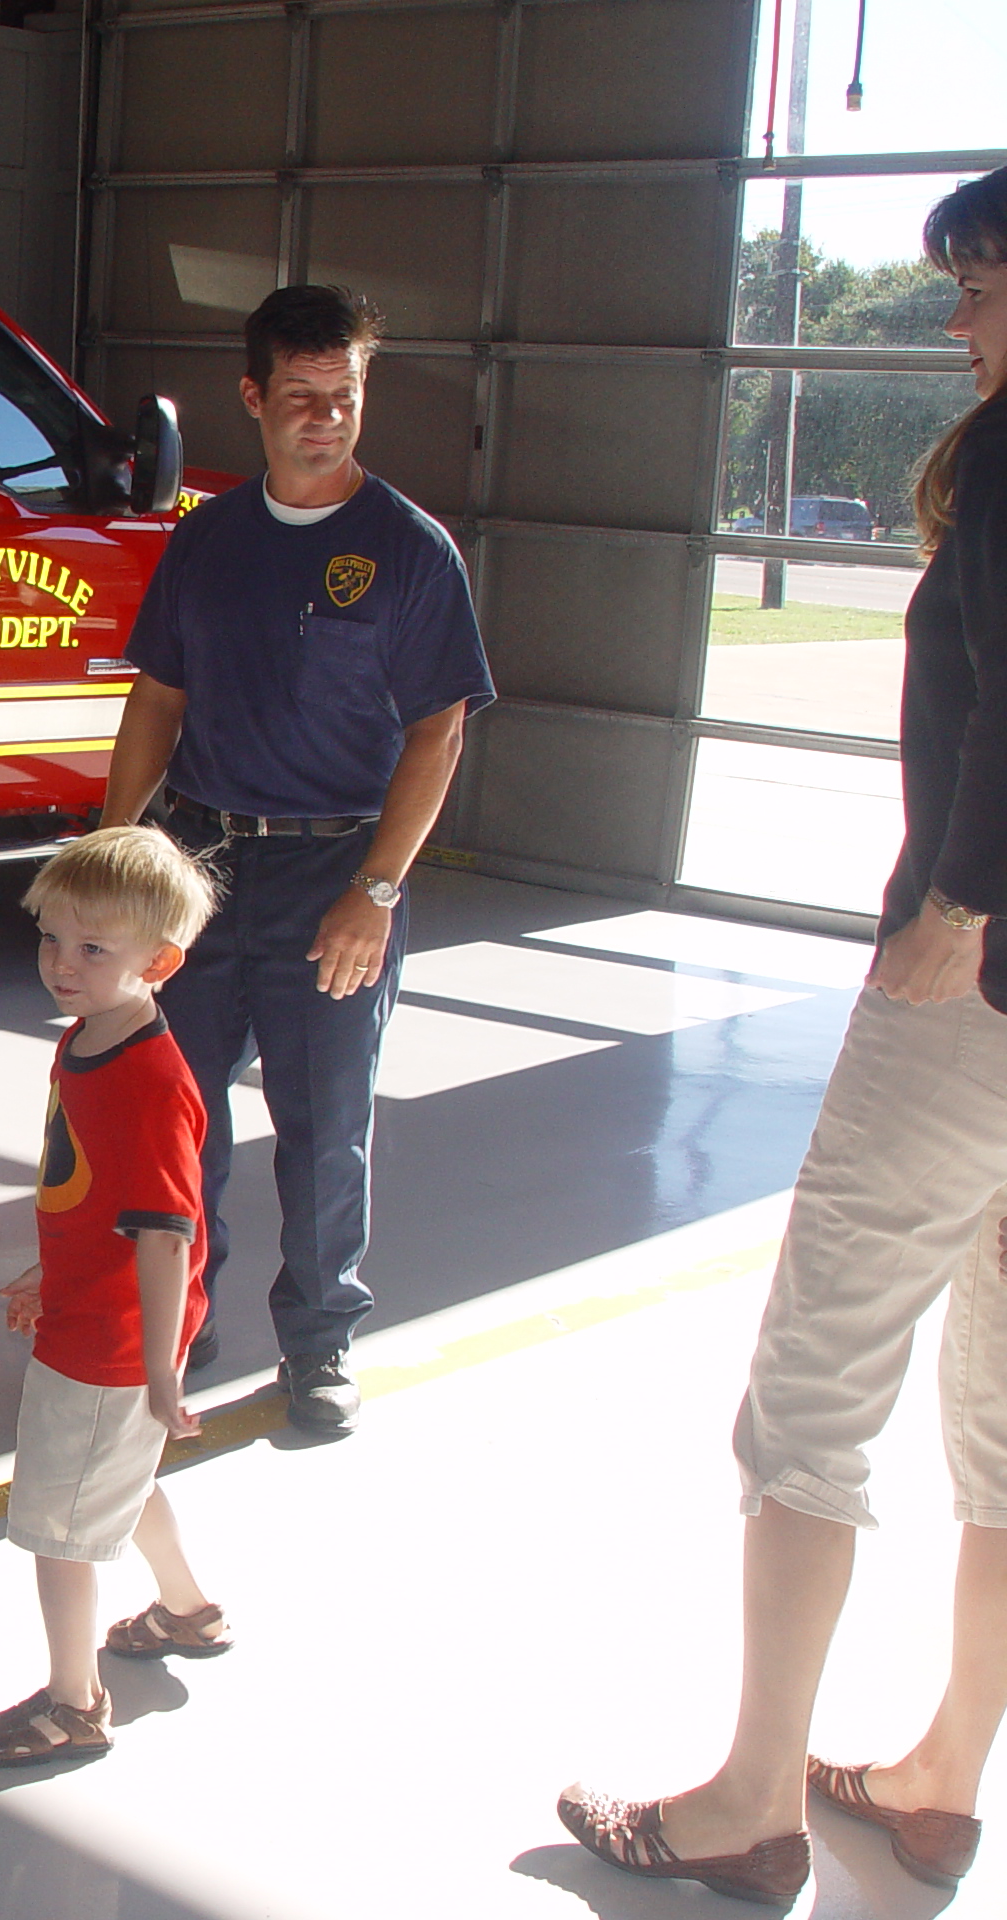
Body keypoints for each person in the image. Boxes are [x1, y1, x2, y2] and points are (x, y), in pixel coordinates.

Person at [558, 165, 1007, 1914]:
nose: (959, 323)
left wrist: (959, 912)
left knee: (816, 1383)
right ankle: (944, 1770)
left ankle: (753, 1798)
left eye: (977, 289)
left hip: (973, 995)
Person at [102, 284, 493, 1437]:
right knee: (178, 1119)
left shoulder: (408, 552)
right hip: (200, 867)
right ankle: (178, 1324)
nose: (325, 420)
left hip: (335, 883)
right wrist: (115, 856)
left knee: (325, 1127)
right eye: (301, 399)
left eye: (344, 398)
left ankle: (318, 1347)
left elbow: (439, 729)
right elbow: (157, 698)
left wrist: (375, 890)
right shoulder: (207, 540)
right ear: (252, 399)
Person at [0, 828, 232, 1767]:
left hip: (113, 1342)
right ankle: (187, 1610)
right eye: (51, 939)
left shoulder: (149, 1082)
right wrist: (57, 1271)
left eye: (92, 949)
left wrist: (156, 1368)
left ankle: (73, 1704)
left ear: (160, 961)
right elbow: (105, 1198)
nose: (61, 966)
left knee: (59, 1526)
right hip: (102, 1312)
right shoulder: (92, 1038)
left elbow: (165, 1234)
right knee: (119, 1479)